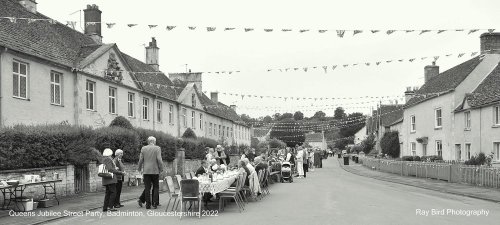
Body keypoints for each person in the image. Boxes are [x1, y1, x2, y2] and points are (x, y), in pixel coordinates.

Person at [137, 136, 164, 209]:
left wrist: (139, 168)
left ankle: (148, 205)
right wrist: (161, 168)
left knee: (147, 187)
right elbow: (159, 159)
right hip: (155, 170)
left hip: (146, 171)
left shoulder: (143, 148)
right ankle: (155, 203)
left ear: (148, 142)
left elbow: (141, 159)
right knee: (155, 187)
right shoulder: (157, 148)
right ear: (154, 142)